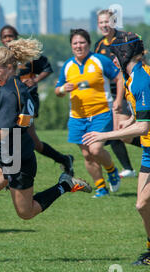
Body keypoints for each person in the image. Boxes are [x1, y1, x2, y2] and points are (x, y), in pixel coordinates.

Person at [0, 38, 92, 264]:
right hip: (4, 153)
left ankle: (65, 184)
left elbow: (4, 129)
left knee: (26, 212)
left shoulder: (10, 91)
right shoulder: (10, 86)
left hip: (19, 158)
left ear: (9, 68)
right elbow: (6, 120)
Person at [83, 32, 150, 265]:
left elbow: (143, 128)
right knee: (144, 206)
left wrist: (105, 134)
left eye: (114, 54)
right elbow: (148, 111)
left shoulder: (141, 79)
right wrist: (129, 121)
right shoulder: (132, 75)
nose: (112, 59)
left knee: (143, 204)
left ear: (125, 54)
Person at [0, 25, 75, 176]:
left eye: (10, 36)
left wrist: (35, 79)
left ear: (16, 36)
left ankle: (13, 173)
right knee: (30, 142)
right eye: (5, 37)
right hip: (6, 101)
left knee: (18, 137)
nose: (8, 39)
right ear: (1, 39)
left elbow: (47, 68)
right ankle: (63, 160)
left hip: (24, 100)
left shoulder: (24, 60)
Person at [55, 29, 121, 198]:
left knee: (96, 149)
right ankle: (101, 188)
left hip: (101, 113)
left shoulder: (100, 60)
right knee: (86, 154)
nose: (79, 46)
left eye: (82, 42)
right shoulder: (68, 66)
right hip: (77, 117)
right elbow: (57, 90)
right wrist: (63, 89)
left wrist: (118, 99)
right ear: (71, 46)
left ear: (89, 44)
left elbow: (119, 77)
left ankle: (112, 170)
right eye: (75, 43)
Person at [94, 9, 141, 178]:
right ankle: (129, 168)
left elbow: (126, 69)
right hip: (111, 95)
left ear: (113, 22)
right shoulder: (99, 45)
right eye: (101, 22)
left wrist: (120, 99)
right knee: (121, 134)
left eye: (107, 22)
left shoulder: (124, 40)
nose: (104, 25)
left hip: (127, 91)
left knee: (122, 133)